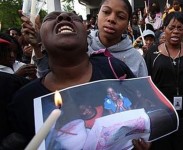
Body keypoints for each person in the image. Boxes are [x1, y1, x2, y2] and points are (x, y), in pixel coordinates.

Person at [7, 11, 151, 149]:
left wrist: (146, 138)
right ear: (41, 43)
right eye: (51, 18)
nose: (64, 16)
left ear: (87, 39)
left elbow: (147, 113)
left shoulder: (114, 68)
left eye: (74, 18)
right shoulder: (24, 101)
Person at [144, 12, 183, 150]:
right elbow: (146, 81)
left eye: (180, 28)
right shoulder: (153, 53)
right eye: (172, 27)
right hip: (160, 115)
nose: (176, 31)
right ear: (164, 28)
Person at [87, 0, 148, 77]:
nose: (111, 19)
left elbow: (142, 88)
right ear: (98, 15)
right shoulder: (83, 48)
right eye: (106, 12)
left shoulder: (137, 60)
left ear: (127, 24)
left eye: (120, 17)